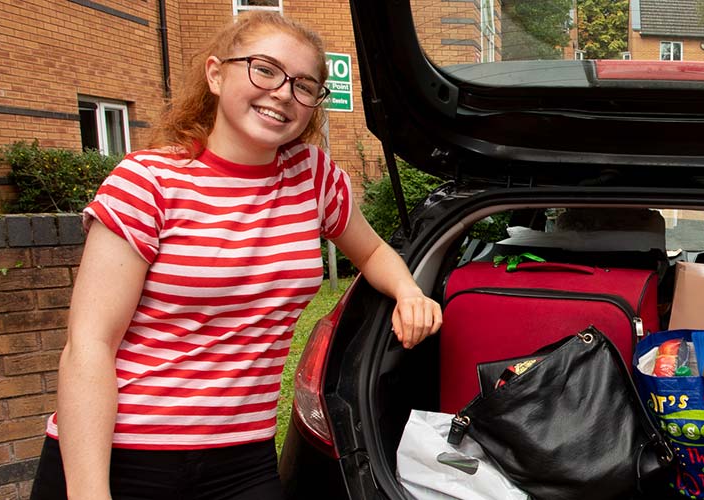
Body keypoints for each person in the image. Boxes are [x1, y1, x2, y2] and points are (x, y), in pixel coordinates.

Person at [31, 12, 442, 500]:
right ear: (215, 73)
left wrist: (407, 290)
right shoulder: (148, 181)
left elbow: (372, 249)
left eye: (304, 85)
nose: (284, 93)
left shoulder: (312, 177)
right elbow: (89, 347)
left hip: (242, 458)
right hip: (125, 455)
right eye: (264, 70)